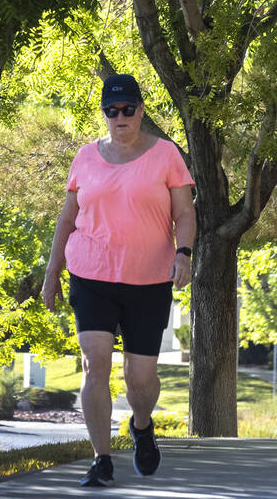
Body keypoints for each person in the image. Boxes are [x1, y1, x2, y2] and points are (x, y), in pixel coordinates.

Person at [42, 73, 196, 488]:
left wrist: (184, 254)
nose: (120, 117)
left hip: (149, 280)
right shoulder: (85, 157)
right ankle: (101, 459)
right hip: (91, 275)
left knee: (141, 378)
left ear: (140, 111)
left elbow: (184, 213)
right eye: (112, 111)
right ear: (105, 115)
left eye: (127, 109)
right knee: (95, 364)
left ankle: (142, 425)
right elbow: (67, 218)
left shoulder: (166, 155)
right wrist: (52, 272)